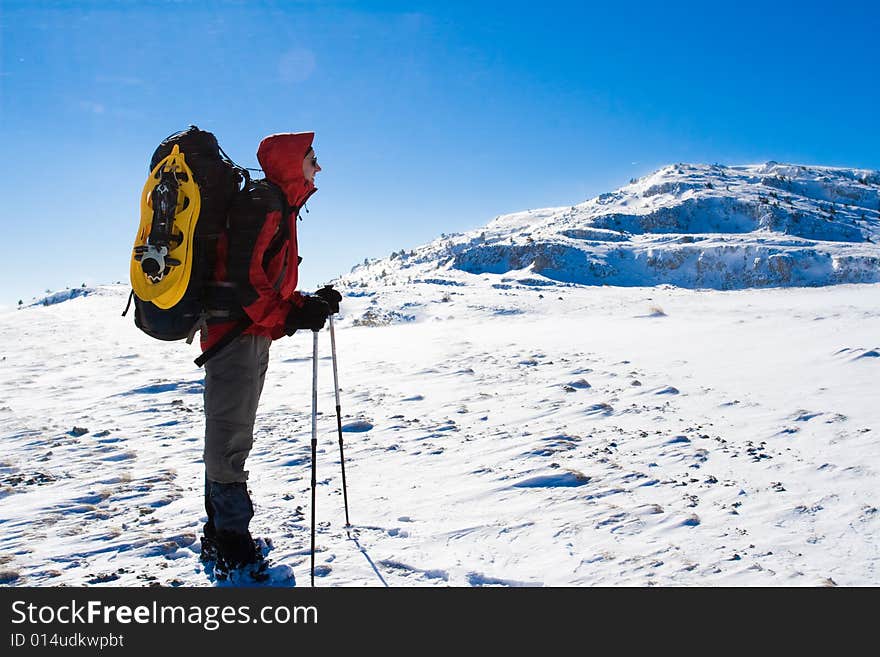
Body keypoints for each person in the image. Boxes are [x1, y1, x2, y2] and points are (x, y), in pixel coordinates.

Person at [198, 131, 342, 576]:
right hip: (235, 335)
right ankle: (231, 544)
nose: (318, 167)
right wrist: (289, 317)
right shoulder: (264, 203)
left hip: (246, 332)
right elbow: (246, 284)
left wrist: (301, 305)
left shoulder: (278, 205)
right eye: (312, 158)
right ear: (290, 161)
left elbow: (263, 281)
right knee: (229, 441)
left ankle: (222, 534)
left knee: (231, 436)